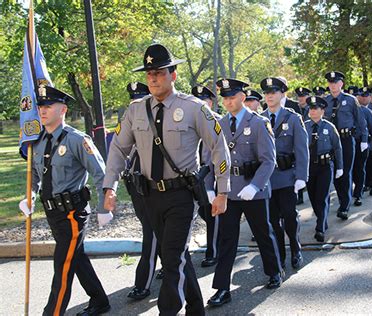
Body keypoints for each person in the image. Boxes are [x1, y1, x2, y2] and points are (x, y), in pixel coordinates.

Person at [103, 43, 231, 315]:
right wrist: (109, 185)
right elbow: (118, 148)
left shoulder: (194, 108)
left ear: (173, 75)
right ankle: (196, 308)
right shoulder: (136, 110)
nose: (152, 77)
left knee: (171, 259)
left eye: (159, 72)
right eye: (149, 72)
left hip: (181, 196)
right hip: (149, 197)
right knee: (176, 256)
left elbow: (219, 146)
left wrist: (222, 191)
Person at [19, 85, 111, 316]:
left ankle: (52, 312)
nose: (42, 110)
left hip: (73, 214)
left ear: (63, 110)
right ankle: (100, 301)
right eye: (40, 106)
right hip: (52, 214)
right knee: (75, 257)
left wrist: (103, 206)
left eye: (49, 106)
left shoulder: (77, 140)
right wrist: (30, 194)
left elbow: (101, 173)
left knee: (63, 266)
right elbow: (36, 175)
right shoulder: (37, 141)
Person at [208, 78, 283, 307]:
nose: (229, 102)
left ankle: (274, 271)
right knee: (226, 239)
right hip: (228, 192)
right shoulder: (218, 124)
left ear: (242, 97)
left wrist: (255, 186)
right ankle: (222, 288)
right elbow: (209, 160)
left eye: (233, 97)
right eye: (225, 98)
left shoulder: (258, 123)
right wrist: (211, 187)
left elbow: (269, 160)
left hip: (253, 191)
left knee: (263, 234)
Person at [261, 77, 309, 269]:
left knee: (289, 216)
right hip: (267, 179)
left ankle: (295, 248)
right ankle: (279, 254)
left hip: (288, 176)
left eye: (273, 92)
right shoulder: (259, 119)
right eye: (267, 93)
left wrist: (301, 177)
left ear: (282, 94)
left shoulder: (293, 118)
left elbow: (302, 149)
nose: (269, 96)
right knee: (273, 221)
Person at [121, 82, 163, 301]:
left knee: (152, 234)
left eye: (140, 97)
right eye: (132, 97)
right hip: (135, 185)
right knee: (159, 235)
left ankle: (143, 284)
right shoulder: (130, 120)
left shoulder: (155, 121)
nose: (134, 101)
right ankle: (172, 266)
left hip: (152, 186)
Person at [323, 71, 368, 220]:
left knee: (346, 172)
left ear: (341, 84)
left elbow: (360, 121)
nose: (333, 85)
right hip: (331, 142)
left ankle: (344, 206)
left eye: (336, 82)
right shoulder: (325, 101)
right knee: (336, 173)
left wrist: (363, 139)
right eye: (330, 83)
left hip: (347, 140)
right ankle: (343, 199)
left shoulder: (350, 100)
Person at [304, 96, 343, 242]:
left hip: (325, 166)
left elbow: (337, 148)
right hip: (309, 167)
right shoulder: (304, 126)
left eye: (316, 108)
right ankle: (322, 217)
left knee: (322, 196)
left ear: (322, 110)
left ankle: (320, 228)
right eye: (311, 108)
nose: (312, 111)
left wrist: (340, 167)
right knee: (313, 197)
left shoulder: (329, 127)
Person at [191, 84, 222, 267]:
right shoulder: (188, 121)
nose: (200, 104)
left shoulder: (218, 121)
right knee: (203, 211)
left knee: (212, 214)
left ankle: (213, 251)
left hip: (213, 174)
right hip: (194, 175)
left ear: (210, 103)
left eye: (203, 101)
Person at [353, 87, 372, 206]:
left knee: (360, 168)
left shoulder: (365, 111)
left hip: (362, 143)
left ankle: (358, 193)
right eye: (358, 96)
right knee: (350, 171)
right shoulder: (345, 111)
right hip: (348, 143)